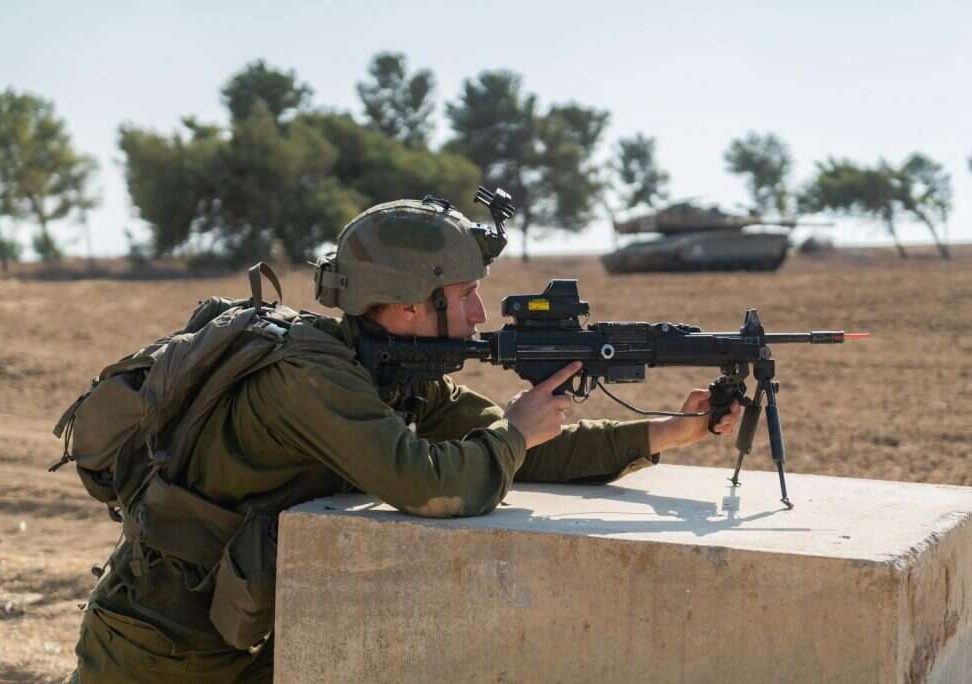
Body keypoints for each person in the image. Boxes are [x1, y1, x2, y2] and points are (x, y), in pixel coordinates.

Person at [66, 196, 739, 683]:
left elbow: (518, 442)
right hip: (156, 645)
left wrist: (667, 433)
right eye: (467, 293)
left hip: (241, 630)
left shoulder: (386, 372)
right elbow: (429, 484)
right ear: (411, 304)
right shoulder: (310, 378)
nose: (479, 313)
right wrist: (512, 433)